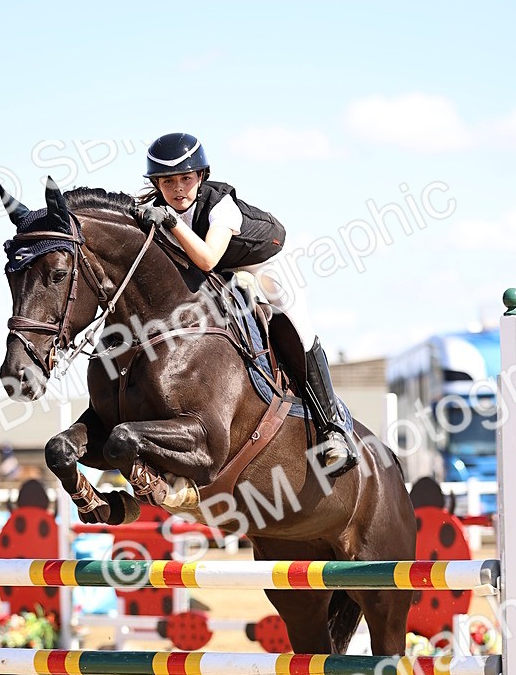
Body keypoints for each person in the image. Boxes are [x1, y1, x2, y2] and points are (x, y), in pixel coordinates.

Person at [136, 132, 358, 475]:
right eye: (167, 181)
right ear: (156, 183)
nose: (178, 188)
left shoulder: (219, 205)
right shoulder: (159, 207)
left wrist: (170, 223)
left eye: (185, 178)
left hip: (265, 262)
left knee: (298, 330)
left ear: (201, 176)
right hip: (223, 268)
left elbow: (208, 259)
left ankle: (334, 428)